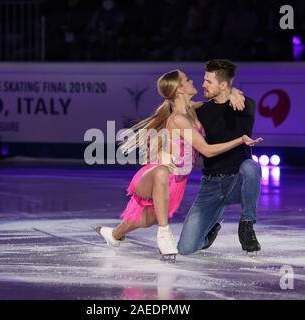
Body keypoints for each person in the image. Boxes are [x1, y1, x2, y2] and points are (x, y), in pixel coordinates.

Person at [95, 69, 263, 261]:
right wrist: (240, 140)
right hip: (157, 173)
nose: (194, 82)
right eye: (188, 80)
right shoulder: (178, 119)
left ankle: (114, 235)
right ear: (180, 89)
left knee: (146, 219)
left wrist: (233, 93)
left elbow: (218, 101)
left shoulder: (193, 110)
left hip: (177, 181)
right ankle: (164, 234)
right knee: (161, 174)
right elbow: (207, 150)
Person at [177, 59, 262, 256]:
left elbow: (239, 99)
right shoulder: (201, 112)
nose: (203, 84)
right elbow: (180, 107)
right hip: (210, 186)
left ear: (223, 85)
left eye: (208, 81)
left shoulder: (246, 105)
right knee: (185, 249)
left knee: (251, 167)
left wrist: (234, 93)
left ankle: (247, 224)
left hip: (237, 182)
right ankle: (210, 231)